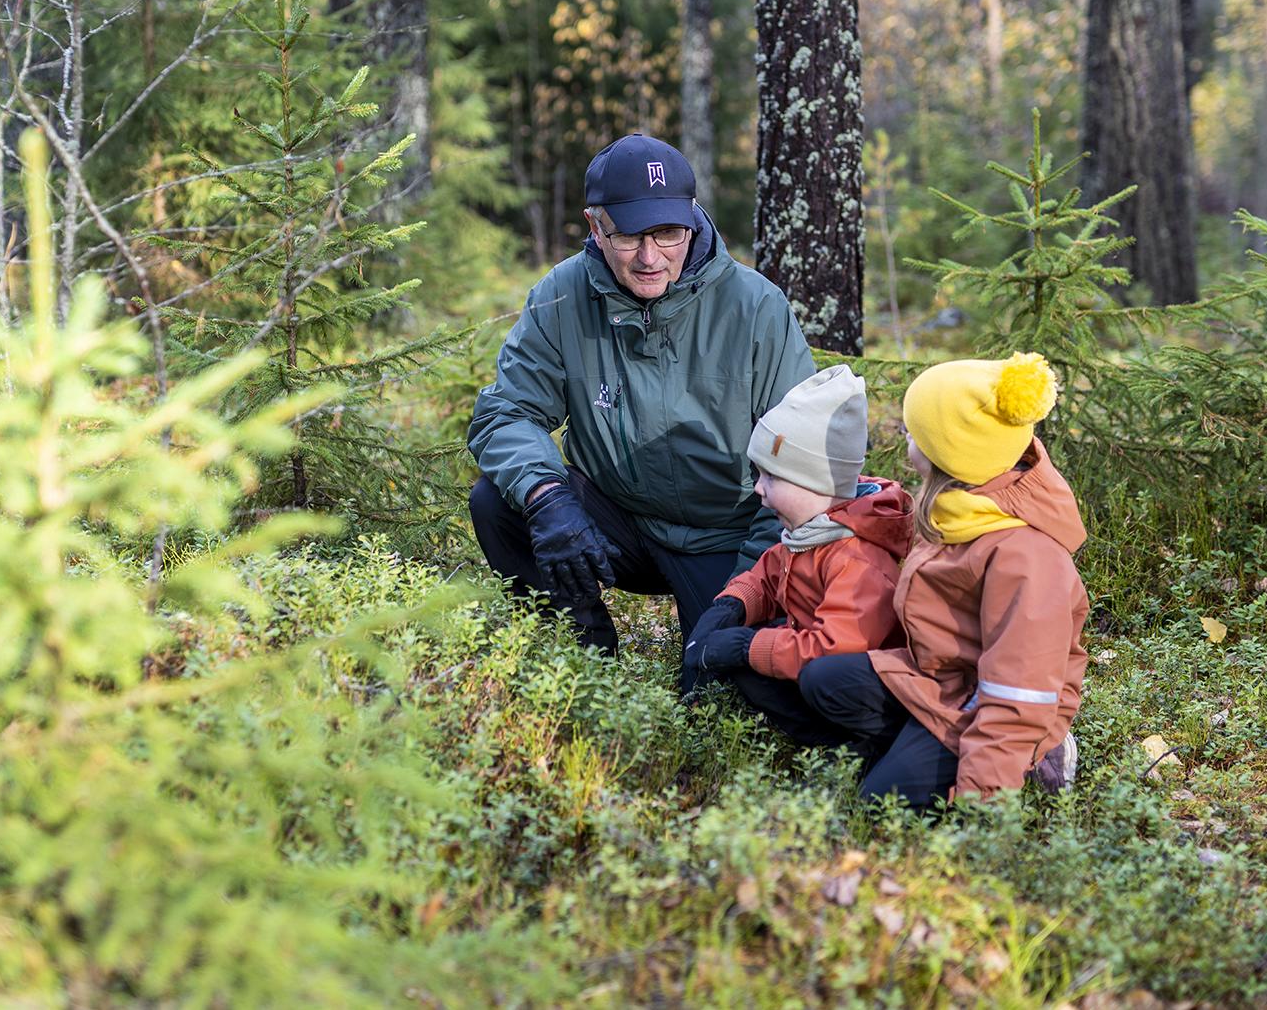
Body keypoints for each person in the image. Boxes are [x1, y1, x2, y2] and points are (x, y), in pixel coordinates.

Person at [466, 132, 815, 654]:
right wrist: (549, 499)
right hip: (619, 522)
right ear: (596, 225)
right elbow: (507, 412)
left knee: (720, 683)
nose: (650, 257)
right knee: (498, 502)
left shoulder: (756, 308)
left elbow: (801, 462)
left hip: (727, 538)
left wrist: (744, 591)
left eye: (669, 233)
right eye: (629, 236)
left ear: (693, 219)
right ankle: (586, 657)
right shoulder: (563, 296)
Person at [791, 352, 1088, 809]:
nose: (905, 438)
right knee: (822, 681)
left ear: (950, 452)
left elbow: (1018, 693)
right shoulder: (960, 506)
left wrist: (983, 802)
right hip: (947, 681)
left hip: (996, 706)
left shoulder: (1026, 557)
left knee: (880, 802)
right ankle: (913, 748)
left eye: (914, 433)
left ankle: (1041, 756)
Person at [676, 365, 912, 744]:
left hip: (866, 691)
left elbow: (834, 649)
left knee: (757, 654)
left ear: (814, 482)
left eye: (771, 477)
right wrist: (732, 606)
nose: (759, 489)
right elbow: (768, 573)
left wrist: (745, 647)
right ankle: (813, 744)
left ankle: (844, 749)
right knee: (753, 653)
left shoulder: (858, 560)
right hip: (813, 658)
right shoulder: (812, 531)